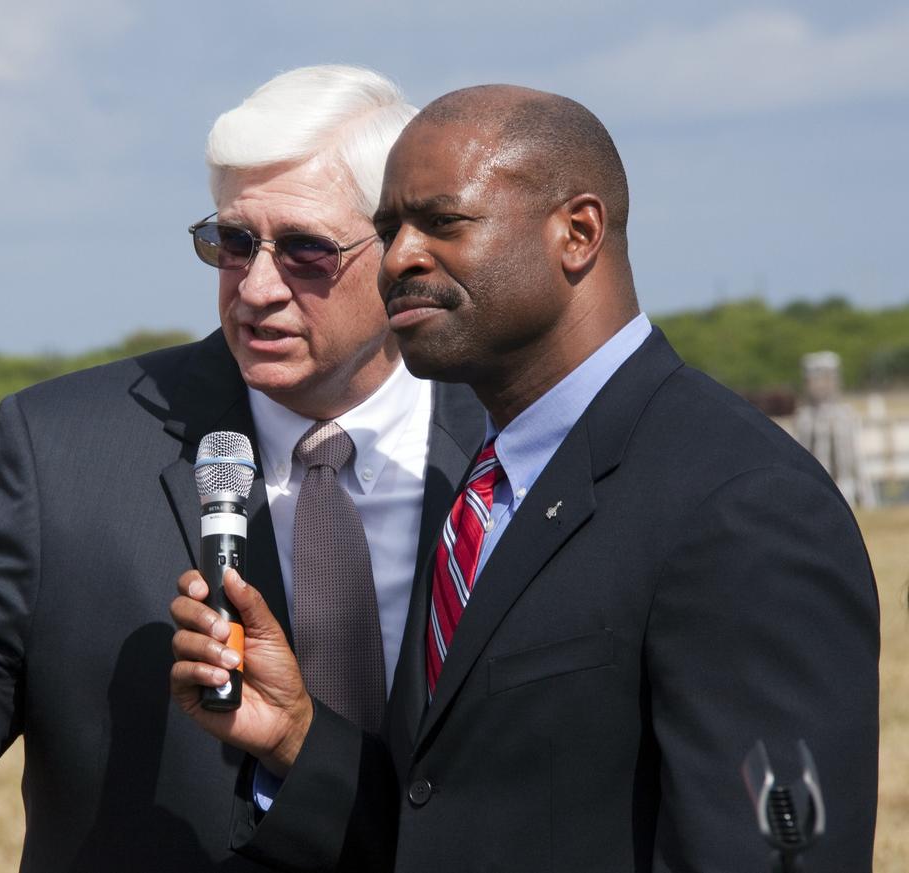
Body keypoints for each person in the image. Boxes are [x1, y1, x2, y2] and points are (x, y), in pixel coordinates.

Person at [170, 85, 880, 872]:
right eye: (387, 228)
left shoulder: (740, 503)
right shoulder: (485, 487)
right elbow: (447, 816)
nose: (399, 258)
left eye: (442, 222)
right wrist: (299, 734)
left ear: (577, 232)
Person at [0, 65, 484, 872]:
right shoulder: (63, 450)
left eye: (306, 249)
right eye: (232, 243)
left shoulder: (511, 441)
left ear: (400, 251)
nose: (257, 287)